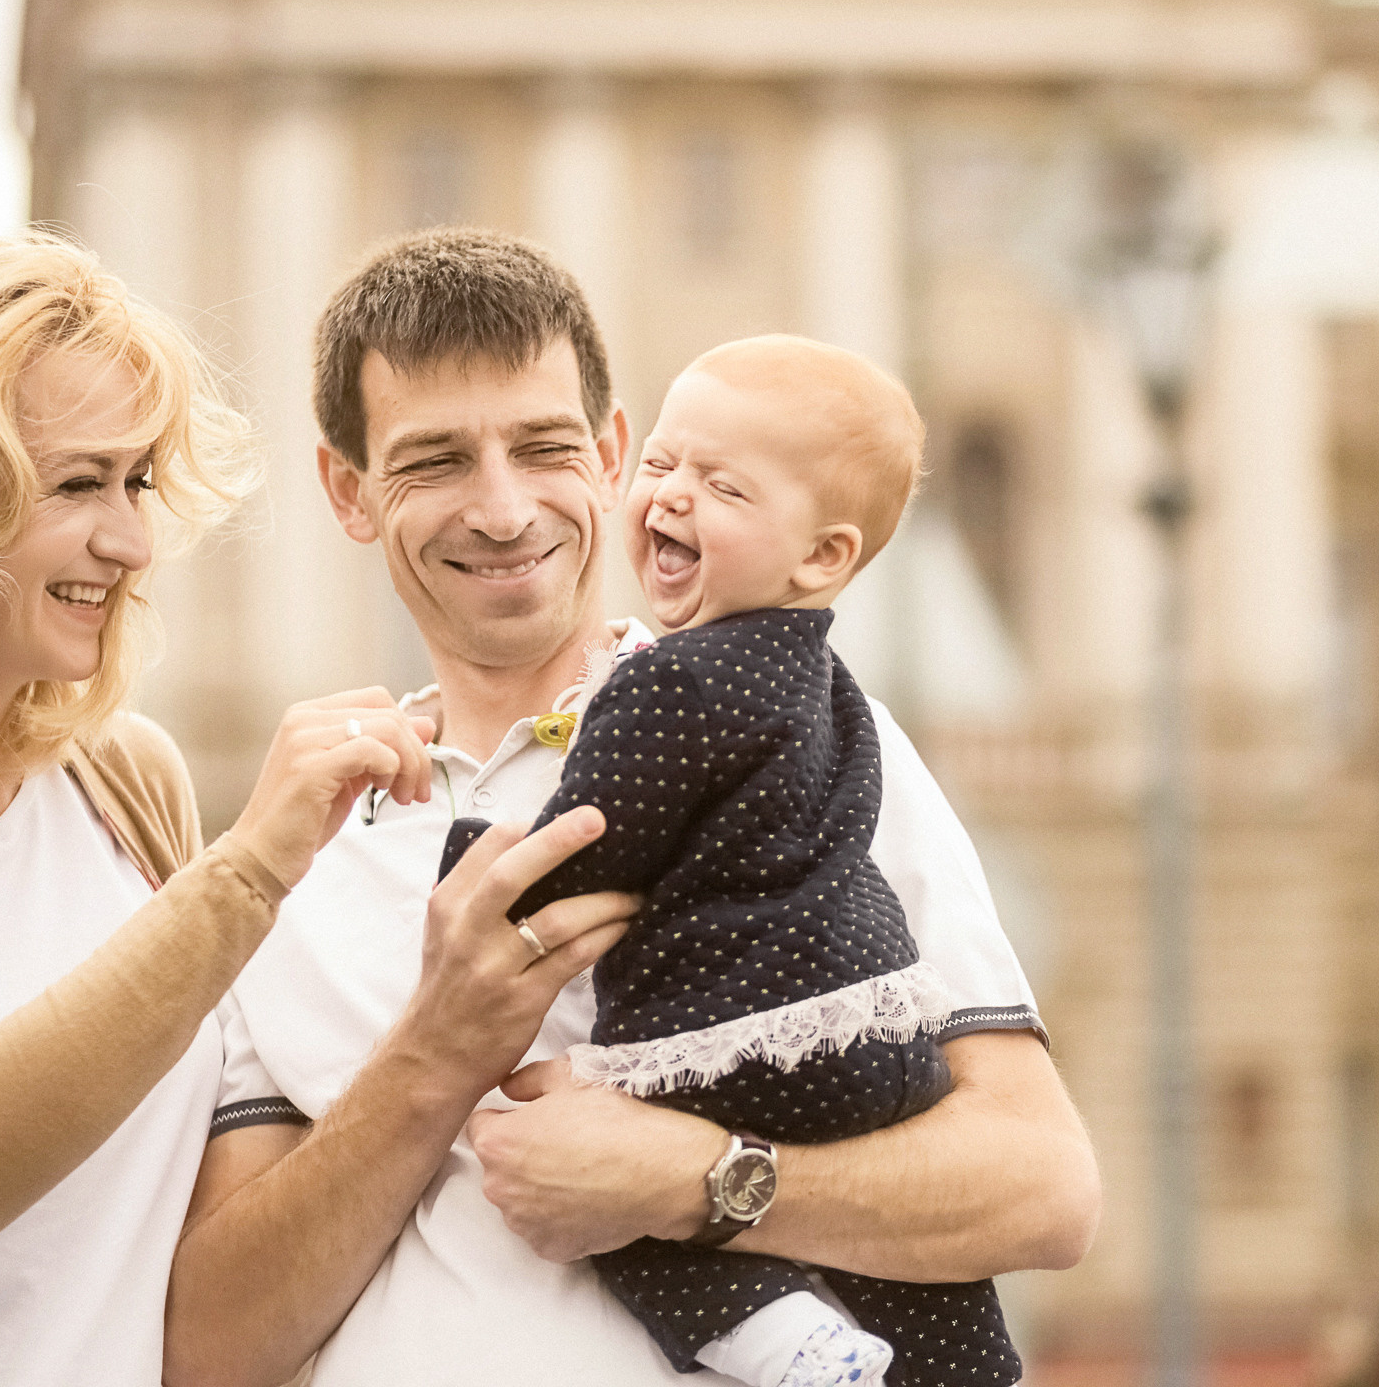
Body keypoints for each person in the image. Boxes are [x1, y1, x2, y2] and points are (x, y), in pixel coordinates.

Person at [0, 231, 626, 1387]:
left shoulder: (124, 779)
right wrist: (252, 868)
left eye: (137, 481)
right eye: (79, 484)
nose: (133, 539)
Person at [165, 229, 1102, 1387]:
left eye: (544, 447)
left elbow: (1043, 1189)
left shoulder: (802, 729)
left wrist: (694, 1181)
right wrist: (431, 1059)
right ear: (349, 491)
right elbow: (208, 1351)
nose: (503, 509)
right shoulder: (290, 850)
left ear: (612, 453)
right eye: (435, 461)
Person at [437, 333, 1020, 1387]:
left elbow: (581, 848)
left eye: (724, 486)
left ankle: (788, 1344)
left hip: (737, 1036)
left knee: (602, 1189)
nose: (672, 494)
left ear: (822, 556)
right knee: (928, 1285)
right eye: (661, 463)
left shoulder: (669, 683)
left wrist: (466, 845)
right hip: (877, 1031)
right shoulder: (831, 685)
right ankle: (970, 1367)